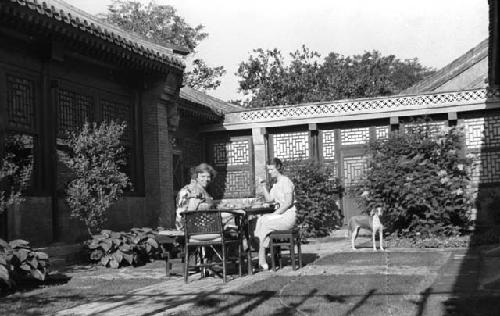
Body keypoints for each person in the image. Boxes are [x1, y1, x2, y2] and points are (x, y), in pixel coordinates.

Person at [254, 158, 297, 270]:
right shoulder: (276, 184)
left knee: (265, 223)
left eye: (271, 169)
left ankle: (262, 260)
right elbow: (269, 199)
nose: (269, 172)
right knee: (260, 220)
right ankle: (263, 253)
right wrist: (263, 186)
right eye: (268, 170)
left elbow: (288, 202)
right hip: (280, 216)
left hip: (288, 216)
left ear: (278, 168)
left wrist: (275, 214)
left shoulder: (286, 181)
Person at [175, 163, 216, 230]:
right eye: (202, 176)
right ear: (196, 177)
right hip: (192, 227)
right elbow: (185, 213)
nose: (206, 179)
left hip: (205, 223)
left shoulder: (204, 191)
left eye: (208, 177)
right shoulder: (189, 190)